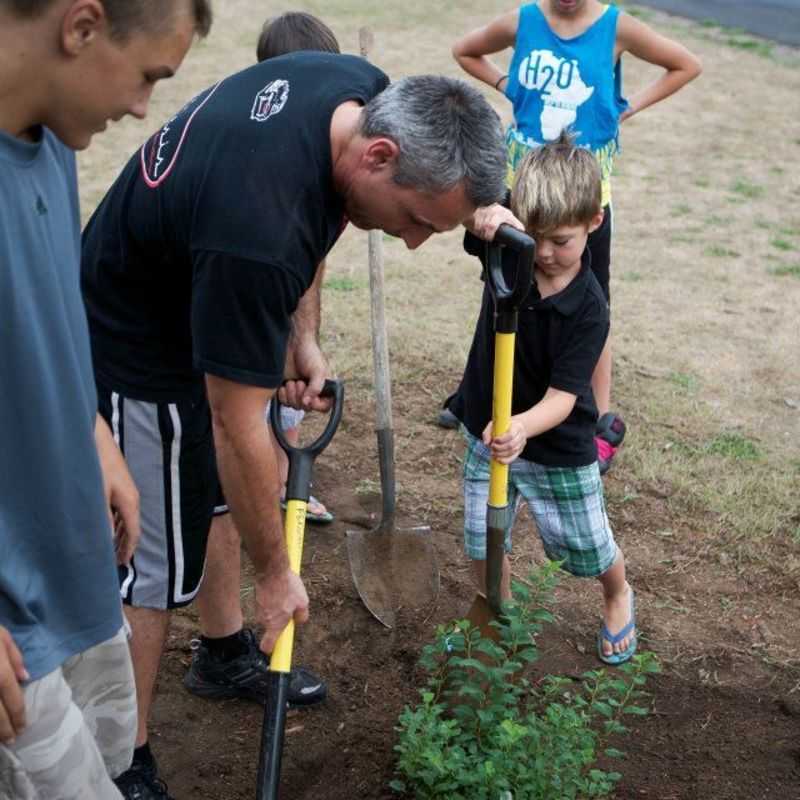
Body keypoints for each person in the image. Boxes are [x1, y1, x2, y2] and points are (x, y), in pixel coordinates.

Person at [80, 42, 508, 796]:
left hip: (203, 288)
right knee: (148, 565)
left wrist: (297, 334)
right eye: (415, 220)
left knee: (216, 495)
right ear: (379, 153)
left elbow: (322, 215)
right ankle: (124, 760)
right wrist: (277, 574)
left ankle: (220, 653)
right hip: (136, 339)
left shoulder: (350, 90)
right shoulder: (258, 229)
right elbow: (234, 424)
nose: (411, 242)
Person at [0, 1, 210, 799]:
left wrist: (95, 435)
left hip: (72, 570)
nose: (141, 107)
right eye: (150, 75)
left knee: (111, 756)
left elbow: (39, 315)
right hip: (15, 631)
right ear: (82, 25)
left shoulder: (48, 137)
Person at [449, 0, 702, 473]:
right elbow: (465, 51)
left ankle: (598, 418)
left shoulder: (615, 26)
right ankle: (480, 393)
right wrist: (508, 86)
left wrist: (624, 108)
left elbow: (686, 64)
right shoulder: (522, 21)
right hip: (526, 187)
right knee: (506, 290)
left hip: (580, 197)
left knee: (588, 301)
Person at [183, 9, 342, 721]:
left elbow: (305, 259)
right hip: (201, 329)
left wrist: (299, 341)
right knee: (223, 485)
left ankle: (226, 644)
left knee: (252, 476)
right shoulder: (254, 145)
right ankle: (219, 648)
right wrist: (267, 358)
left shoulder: (322, 141)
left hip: (257, 326)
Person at [449, 130, 636, 665]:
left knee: (586, 544)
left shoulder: (589, 309)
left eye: (562, 241)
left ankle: (617, 593)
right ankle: (501, 613)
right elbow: (462, 213)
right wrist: (483, 215)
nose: (546, 253)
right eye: (536, 236)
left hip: (553, 441)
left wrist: (524, 427)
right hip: (489, 428)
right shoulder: (510, 246)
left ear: (593, 224)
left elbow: (563, 397)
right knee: (485, 536)